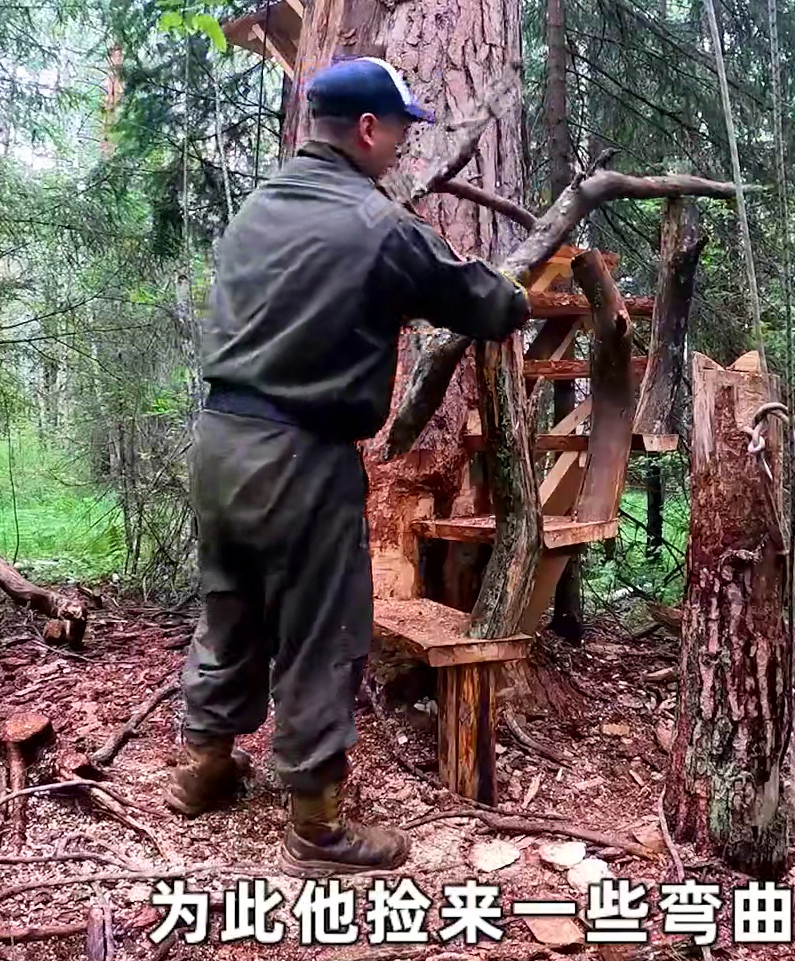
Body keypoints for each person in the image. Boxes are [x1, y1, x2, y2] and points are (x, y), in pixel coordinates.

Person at [166, 56, 532, 873]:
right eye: (399, 128)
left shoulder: (258, 208)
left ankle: (205, 767)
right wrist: (516, 289)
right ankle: (317, 830)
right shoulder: (376, 225)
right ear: (367, 129)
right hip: (300, 455)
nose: (402, 145)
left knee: (229, 605)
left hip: (219, 442)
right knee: (322, 628)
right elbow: (481, 304)